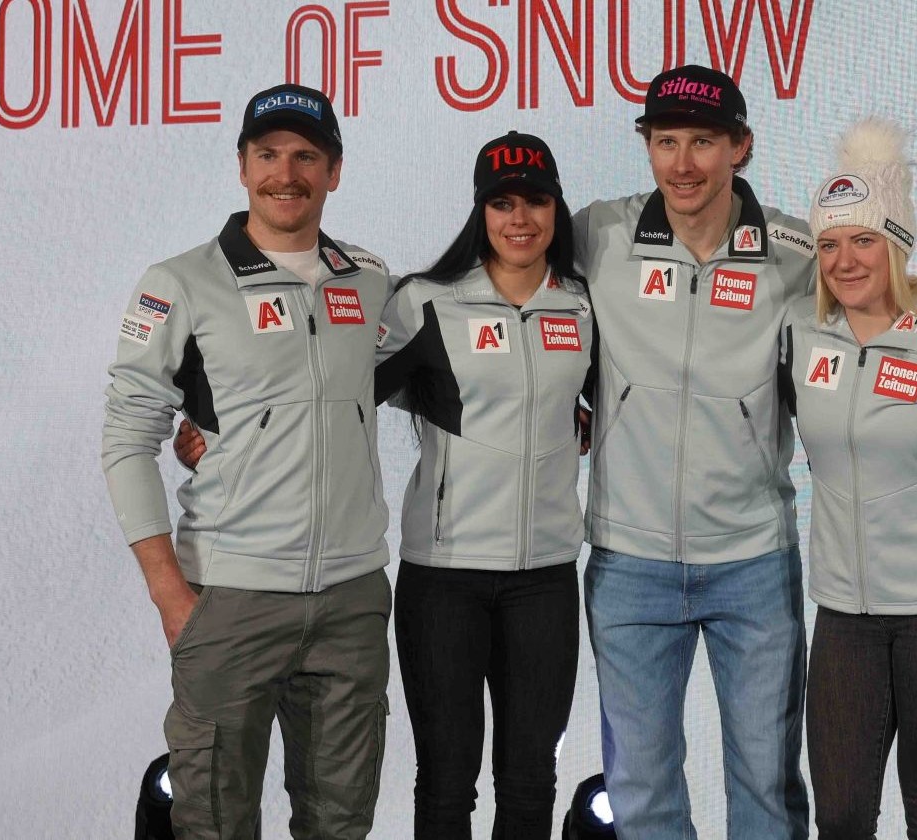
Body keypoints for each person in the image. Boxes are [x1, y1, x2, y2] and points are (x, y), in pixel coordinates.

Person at [101, 83, 395, 839]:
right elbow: (128, 437)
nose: (285, 173)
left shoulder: (368, 280)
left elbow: (419, 370)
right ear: (241, 166)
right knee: (216, 823)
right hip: (231, 596)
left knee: (341, 824)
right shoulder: (181, 283)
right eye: (267, 155)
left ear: (335, 170)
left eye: (306, 156)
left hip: (353, 599)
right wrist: (171, 595)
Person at [574, 64, 815, 839]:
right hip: (629, 561)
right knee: (641, 793)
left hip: (752, 560)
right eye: (665, 141)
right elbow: (498, 285)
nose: (682, 163)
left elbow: (881, 311)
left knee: (767, 788)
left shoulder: (794, 253)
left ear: (741, 146)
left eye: (704, 142)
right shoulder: (597, 234)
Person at [782, 118, 917, 839]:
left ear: (898, 246)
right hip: (843, 617)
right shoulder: (800, 340)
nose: (845, 260)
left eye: (864, 239)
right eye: (830, 244)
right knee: (841, 818)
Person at [375, 131, 593, 839]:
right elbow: (331, 398)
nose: (519, 218)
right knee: (446, 783)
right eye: (502, 202)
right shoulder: (425, 302)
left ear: (555, 209)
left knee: (531, 784)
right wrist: (215, 432)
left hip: (546, 580)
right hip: (445, 581)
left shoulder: (585, 307)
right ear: (481, 212)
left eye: (535, 200)